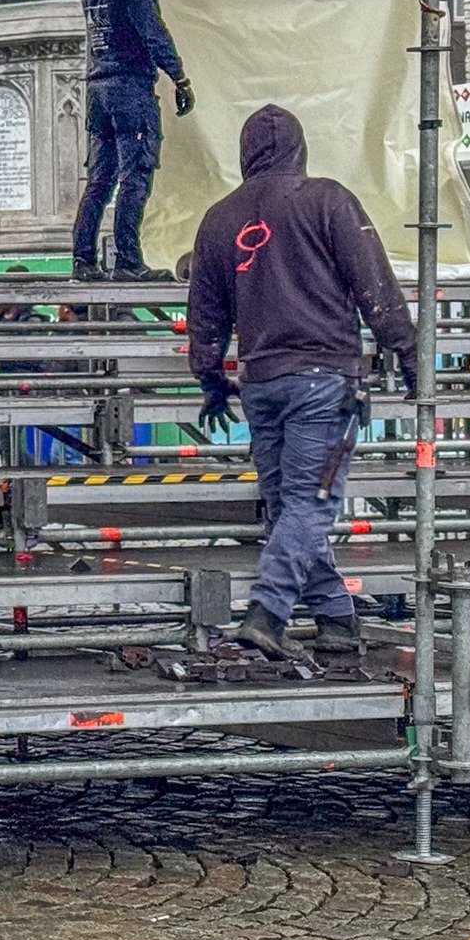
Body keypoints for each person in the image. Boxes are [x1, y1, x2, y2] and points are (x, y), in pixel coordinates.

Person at [187, 105, 416, 661]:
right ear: (299, 148)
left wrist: (212, 381)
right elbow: (375, 285)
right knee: (310, 505)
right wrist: (407, 351)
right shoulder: (328, 200)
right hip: (325, 381)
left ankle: (336, 615)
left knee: (289, 504)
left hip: (261, 383)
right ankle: (268, 612)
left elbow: (205, 314)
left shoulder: (219, 219)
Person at [71, 0, 194, 284]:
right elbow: (154, 33)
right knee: (135, 175)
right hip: (129, 88)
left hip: (98, 89)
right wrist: (179, 77)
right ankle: (127, 259)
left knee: (100, 179)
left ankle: (83, 259)